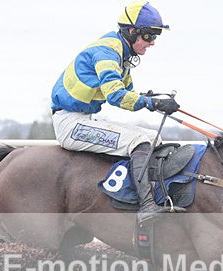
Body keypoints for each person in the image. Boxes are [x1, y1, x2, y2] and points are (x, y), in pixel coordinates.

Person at [50, 1, 182, 224]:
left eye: (156, 37)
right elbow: (116, 96)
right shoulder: (107, 52)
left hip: (84, 119)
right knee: (139, 140)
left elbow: (129, 93)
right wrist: (153, 104)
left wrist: (153, 98)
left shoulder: (123, 55)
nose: (152, 43)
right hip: (70, 125)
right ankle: (147, 205)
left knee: (154, 138)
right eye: (149, 36)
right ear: (132, 32)